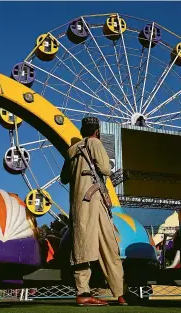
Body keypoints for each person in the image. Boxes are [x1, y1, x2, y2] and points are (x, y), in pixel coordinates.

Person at [60, 117, 127, 306]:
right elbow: (105, 169)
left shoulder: (71, 152)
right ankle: (120, 292)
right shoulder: (94, 142)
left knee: (81, 246)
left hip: (78, 204)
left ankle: (83, 291)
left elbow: (64, 178)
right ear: (96, 131)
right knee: (109, 245)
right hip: (95, 200)